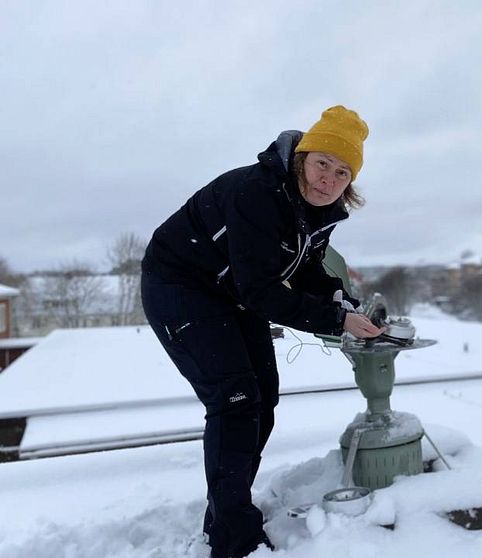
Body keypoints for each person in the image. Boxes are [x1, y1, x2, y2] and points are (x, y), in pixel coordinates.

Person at [141, 105, 384, 558]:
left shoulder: (318, 211)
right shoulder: (257, 192)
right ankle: (235, 540)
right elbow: (261, 290)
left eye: (342, 171)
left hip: (230, 290)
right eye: (322, 164)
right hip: (180, 282)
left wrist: (342, 302)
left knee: (263, 397)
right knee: (235, 398)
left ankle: (226, 513)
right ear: (302, 159)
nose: (328, 178)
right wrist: (335, 321)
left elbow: (306, 269)